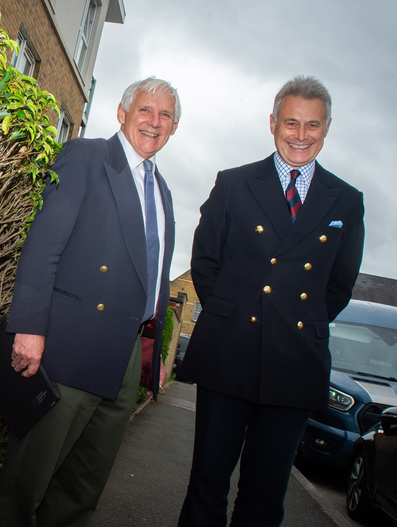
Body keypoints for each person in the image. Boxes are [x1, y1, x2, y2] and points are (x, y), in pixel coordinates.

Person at [178, 75, 365, 526]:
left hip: (295, 362)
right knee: (207, 482)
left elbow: (339, 286)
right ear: (272, 123)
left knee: (265, 496)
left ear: (327, 128)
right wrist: (235, 314)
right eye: (291, 123)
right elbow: (204, 262)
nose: (301, 136)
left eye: (313, 126)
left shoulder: (347, 201)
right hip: (230, 352)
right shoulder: (235, 183)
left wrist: (294, 321)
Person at [0, 77, 179, 527]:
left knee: (83, 487)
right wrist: (30, 327)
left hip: (125, 353)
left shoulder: (164, 190)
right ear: (122, 113)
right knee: (29, 480)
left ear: (174, 127)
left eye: (166, 116)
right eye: (145, 111)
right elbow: (43, 246)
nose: (154, 123)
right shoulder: (88, 156)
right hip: (71, 344)